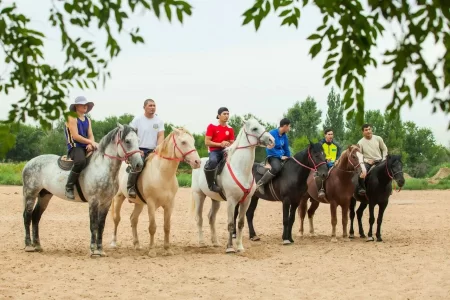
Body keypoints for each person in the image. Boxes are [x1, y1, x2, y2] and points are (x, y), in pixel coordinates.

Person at [127, 99, 165, 198]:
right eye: (150, 105)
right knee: (139, 165)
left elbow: (161, 136)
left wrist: (158, 147)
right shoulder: (137, 120)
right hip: (139, 149)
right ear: (144, 107)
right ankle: (130, 187)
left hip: (154, 150)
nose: (152, 107)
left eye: (154, 105)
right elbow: (131, 134)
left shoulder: (159, 121)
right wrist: (135, 149)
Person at [64, 96, 98, 199]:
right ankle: (69, 187)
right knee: (81, 162)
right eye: (83, 104)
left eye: (86, 105)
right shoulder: (71, 117)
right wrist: (91, 142)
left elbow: (90, 134)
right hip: (75, 146)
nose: (85, 106)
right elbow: (76, 136)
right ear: (77, 106)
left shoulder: (88, 119)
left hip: (85, 146)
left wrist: (90, 144)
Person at [256, 118, 291, 194]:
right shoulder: (272, 133)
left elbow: (286, 148)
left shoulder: (285, 136)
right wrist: (280, 156)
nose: (289, 128)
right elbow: (269, 148)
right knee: (276, 168)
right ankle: (260, 183)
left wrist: (289, 157)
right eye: (289, 126)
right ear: (285, 126)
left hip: (282, 156)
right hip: (272, 156)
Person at [204, 107, 235, 193]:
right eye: (224, 114)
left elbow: (232, 142)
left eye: (228, 114)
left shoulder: (230, 128)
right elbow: (207, 142)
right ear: (218, 116)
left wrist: (228, 144)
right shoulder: (212, 126)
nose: (226, 116)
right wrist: (220, 144)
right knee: (213, 161)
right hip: (214, 151)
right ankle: (211, 185)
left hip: (226, 150)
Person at [356, 123, 388, 195]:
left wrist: (384, 159)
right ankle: (362, 188)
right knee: (362, 173)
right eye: (366, 130)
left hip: (380, 161)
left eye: (369, 129)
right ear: (363, 132)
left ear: (372, 130)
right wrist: (367, 161)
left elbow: (384, 149)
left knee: (389, 171)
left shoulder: (378, 138)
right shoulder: (360, 142)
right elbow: (359, 155)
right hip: (368, 162)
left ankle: (388, 189)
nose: (368, 131)